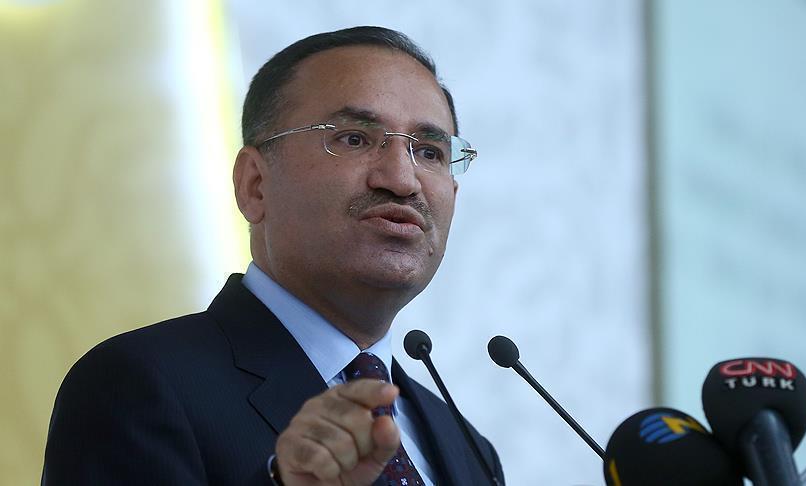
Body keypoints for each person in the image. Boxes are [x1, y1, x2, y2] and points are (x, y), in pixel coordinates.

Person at [42, 26, 503, 486]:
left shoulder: (468, 450)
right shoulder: (136, 385)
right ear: (255, 185)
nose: (402, 180)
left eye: (429, 152)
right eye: (354, 139)